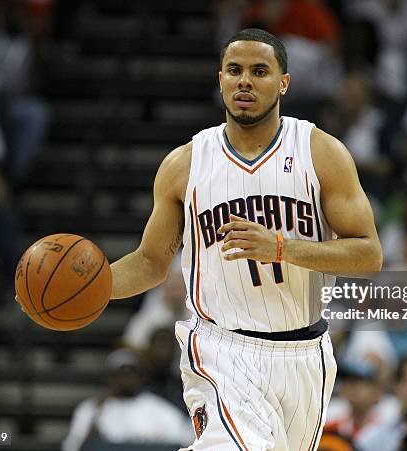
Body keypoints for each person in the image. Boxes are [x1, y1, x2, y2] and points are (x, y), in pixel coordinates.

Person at [108, 28, 382, 450]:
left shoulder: (321, 153)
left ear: (284, 83)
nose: (245, 81)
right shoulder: (184, 165)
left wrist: (280, 248)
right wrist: (92, 288)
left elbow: (368, 255)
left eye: (259, 71)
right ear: (220, 78)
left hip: (306, 353)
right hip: (223, 350)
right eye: (234, 70)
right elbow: (149, 263)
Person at [62, 348, 192, 451]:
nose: (127, 379)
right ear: (111, 378)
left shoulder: (157, 406)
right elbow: (72, 446)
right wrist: (95, 420)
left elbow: (187, 439)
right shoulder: (91, 408)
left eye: (132, 372)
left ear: (141, 377)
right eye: (121, 373)